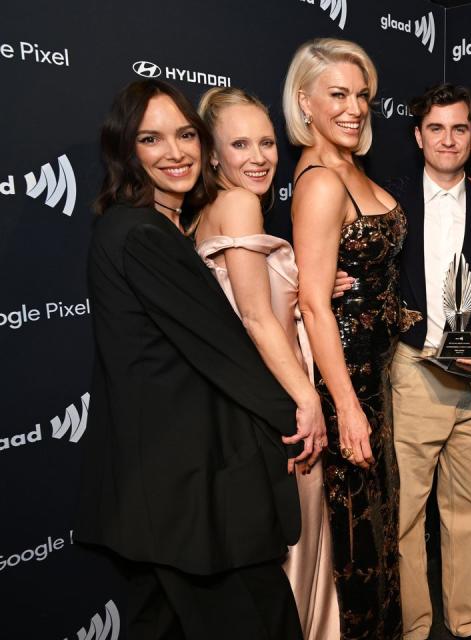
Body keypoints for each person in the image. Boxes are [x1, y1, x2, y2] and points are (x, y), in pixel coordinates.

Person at [77, 79, 314, 639]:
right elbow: (225, 349)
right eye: (152, 139)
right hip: (190, 496)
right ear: (126, 150)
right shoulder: (142, 236)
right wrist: (299, 410)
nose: (176, 151)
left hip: (164, 495)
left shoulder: (143, 229)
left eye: (185, 134)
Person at [190, 87, 339, 640]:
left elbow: (248, 299)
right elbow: (255, 320)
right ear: (212, 153)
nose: (259, 156)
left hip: (248, 410)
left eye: (268, 142)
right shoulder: (240, 203)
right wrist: (309, 400)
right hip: (279, 408)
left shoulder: (205, 210)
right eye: (240, 144)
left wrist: (303, 281)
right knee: (294, 553)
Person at [283, 37, 404, 639]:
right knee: (358, 542)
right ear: (304, 101)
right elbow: (312, 302)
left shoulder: (349, 167)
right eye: (338, 94)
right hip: (346, 381)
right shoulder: (322, 182)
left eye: (362, 95)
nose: (355, 107)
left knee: (381, 536)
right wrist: (348, 408)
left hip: (375, 378)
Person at [389, 83, 471, 640]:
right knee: (408, 513)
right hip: (417, 367)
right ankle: (414, 626)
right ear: (418, 135)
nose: (448, 139)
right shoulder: (389, 201)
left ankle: (470, 623)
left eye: (459, 128)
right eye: (436, 128)